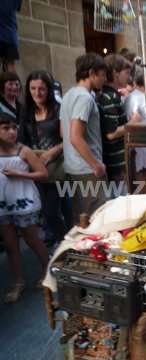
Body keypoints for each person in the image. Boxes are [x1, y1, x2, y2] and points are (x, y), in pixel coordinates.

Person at [0, 113, 49, 303]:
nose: (12, 132)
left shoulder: (23, 150)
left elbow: (43, 174)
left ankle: (46, 267)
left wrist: (20, 174)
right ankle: (18, 281)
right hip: (3, 203)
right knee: (11, 245)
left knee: (32, 239)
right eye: (6, 128)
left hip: (23, 200)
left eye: (14, 127)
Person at [20, 70, 68, 246]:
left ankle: (65, 244)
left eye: (41, 88)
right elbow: (21, 140)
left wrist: (51, 152)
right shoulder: (26, 111)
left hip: (57, 166)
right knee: (47, 211)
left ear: (48, 89)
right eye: (33, 88)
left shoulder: (58, 109)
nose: (37, 93)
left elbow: (68, 140)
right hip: (35, 167)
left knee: (52, 211)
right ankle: (62, 242)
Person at [60, 53, 107, 225]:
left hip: (74, 167)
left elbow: (63, 132)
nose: (104, 79)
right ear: (92, 73)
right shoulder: (84, 98)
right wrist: (96, 165)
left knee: (80, 219)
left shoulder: (68, 96)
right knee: (97, 219)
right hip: (87, 169)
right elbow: (74, 136)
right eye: (103, 74)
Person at [96, 54, 132, 188]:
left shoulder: (111, 94)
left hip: (117, 162)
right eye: (126, 73)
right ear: (115, 73)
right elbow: (111, 133)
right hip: (116, 164)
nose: (129, 77)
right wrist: (133, 122)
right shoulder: (108, 97)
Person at [0, 0, 22, 72]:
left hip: (7, 34)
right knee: (10, 65)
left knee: (10, 66)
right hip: (11, 36)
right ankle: (12, 80)